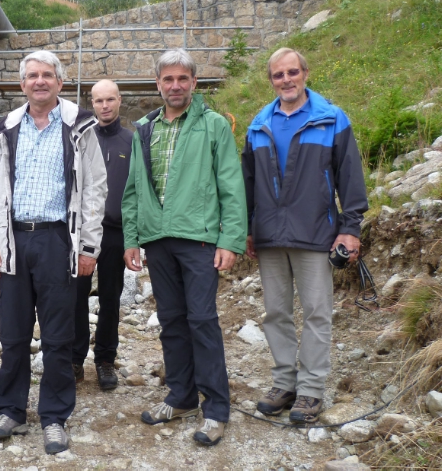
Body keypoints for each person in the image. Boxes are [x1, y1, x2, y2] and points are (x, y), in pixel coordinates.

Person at [0, 50, 107, 455]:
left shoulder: (79, 126)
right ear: (23, 84)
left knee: (58, 336)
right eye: (32, 75)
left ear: (59, 82)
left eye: (47, 75)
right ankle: (11, 410)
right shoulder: (6, 129)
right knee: (13, 334)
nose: (39, 81)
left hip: (58, 241)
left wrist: (89, 246)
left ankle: (54, 417)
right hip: (14, 240)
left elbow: (95, 188)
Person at [121, 49, 246, 447]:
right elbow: (132, 189)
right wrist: (131, 238)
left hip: (199, 239)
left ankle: (216, 409)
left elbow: (231, 185)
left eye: (182, 79)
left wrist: (230, 240)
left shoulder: (213, 126)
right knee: (171, 321)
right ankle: (181, 397)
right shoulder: (144, 129)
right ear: (158, 84)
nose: (175, 86)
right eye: (168, 79)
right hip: (158, 240)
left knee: (202, 320)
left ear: (194, 82)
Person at [242, 48, 368, 424]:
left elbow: (350, 176)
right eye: (278, 75)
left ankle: (311, 389)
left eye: (292, 72)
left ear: (305, 73)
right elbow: (247, 183)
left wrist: (350, 228)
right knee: (276, 313)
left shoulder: (331, 119)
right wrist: (246, 229)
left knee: (316, 313)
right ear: (271, 80)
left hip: (315, 232)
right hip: (269, 235)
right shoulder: (258, 125)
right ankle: (284, 383)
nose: (286, 80)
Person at [72, 79, 133, 391]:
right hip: (81, 232)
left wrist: (135, 237)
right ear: (91, 103)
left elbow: (138, 191)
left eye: (110, 99)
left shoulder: (131, 141)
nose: (105, 106)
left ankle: (106, 359)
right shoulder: (81, 139)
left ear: (119, 100)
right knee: (76, 297)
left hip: (115, 232)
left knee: (110, 298)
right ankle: (74, 358)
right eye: (98, 100)